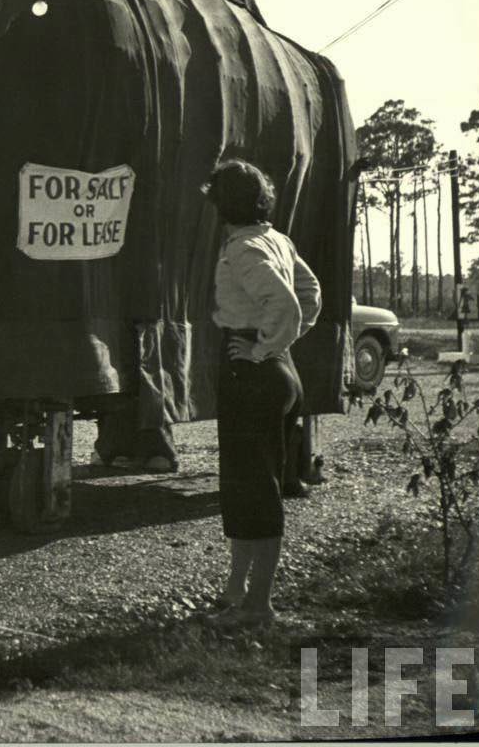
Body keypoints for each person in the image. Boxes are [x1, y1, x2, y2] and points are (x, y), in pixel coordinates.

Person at [201, 159, 322, 628]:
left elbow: (288, 303)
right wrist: (281, 347)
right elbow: (311, 293)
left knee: (255, 489)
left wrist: (260, 347)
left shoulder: (244, 250)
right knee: (246, 484)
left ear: (220, 203)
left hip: (250, 374)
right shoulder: (275, 238)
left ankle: (258, 606)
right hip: (278, 372)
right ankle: (237, 590)